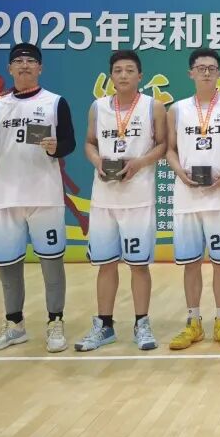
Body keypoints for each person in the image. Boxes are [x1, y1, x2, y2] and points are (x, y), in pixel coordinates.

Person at [0, 42, 76, 353]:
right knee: (8, 265)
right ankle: (15, 325)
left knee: (51, 263)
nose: (25, 65)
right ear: (10, 68)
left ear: (40, 68)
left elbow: (68, 143)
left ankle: (55, 322)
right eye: (19, 61)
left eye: (31, 61)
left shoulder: (55, 102)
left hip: (45, 196)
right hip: (6, 196)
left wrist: (56, 147)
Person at [74, 50, 166, 353]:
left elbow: (163, 145)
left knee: (138, 266)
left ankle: (142, 323)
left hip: (138, 198)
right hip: (104, 198)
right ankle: (104, 325)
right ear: (111, 76)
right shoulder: (98, 107)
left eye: (129, 70)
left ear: (140, 76)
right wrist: (97, 161)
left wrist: (139, 163)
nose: (123, 75)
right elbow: (89, 142)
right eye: (118, 70)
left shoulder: (153, 106)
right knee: (105, 264)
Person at [166, 48, 220, 351]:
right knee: (191, 263)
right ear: (191, 73)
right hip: (187, 197)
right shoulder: (177, 109)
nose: (207, 73)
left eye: (212, 68)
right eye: (201, 68)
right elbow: (170, 149)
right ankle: (193, 321)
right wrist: (180, 173)